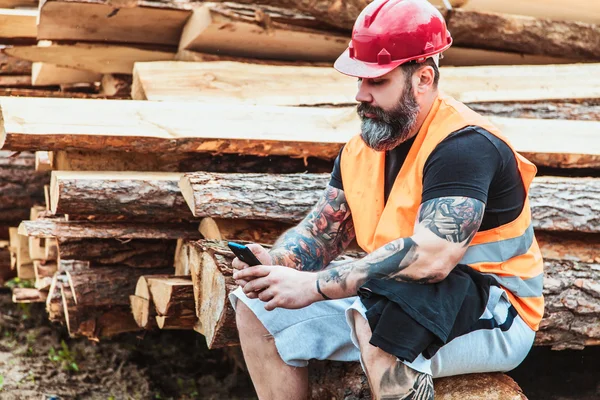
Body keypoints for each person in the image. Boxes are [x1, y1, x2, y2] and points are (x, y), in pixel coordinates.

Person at [230, 0, 544, 398]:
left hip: (496, 311)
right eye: (359, 80)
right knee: (257, 307)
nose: (362, 94)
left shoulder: (464, 146)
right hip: (393, 292)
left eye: (377, 82)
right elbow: (320, 235)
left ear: (423, 79)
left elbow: (431, 259)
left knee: (383, 321)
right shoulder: (362, 148)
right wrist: (276, 264)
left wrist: (314, 287)